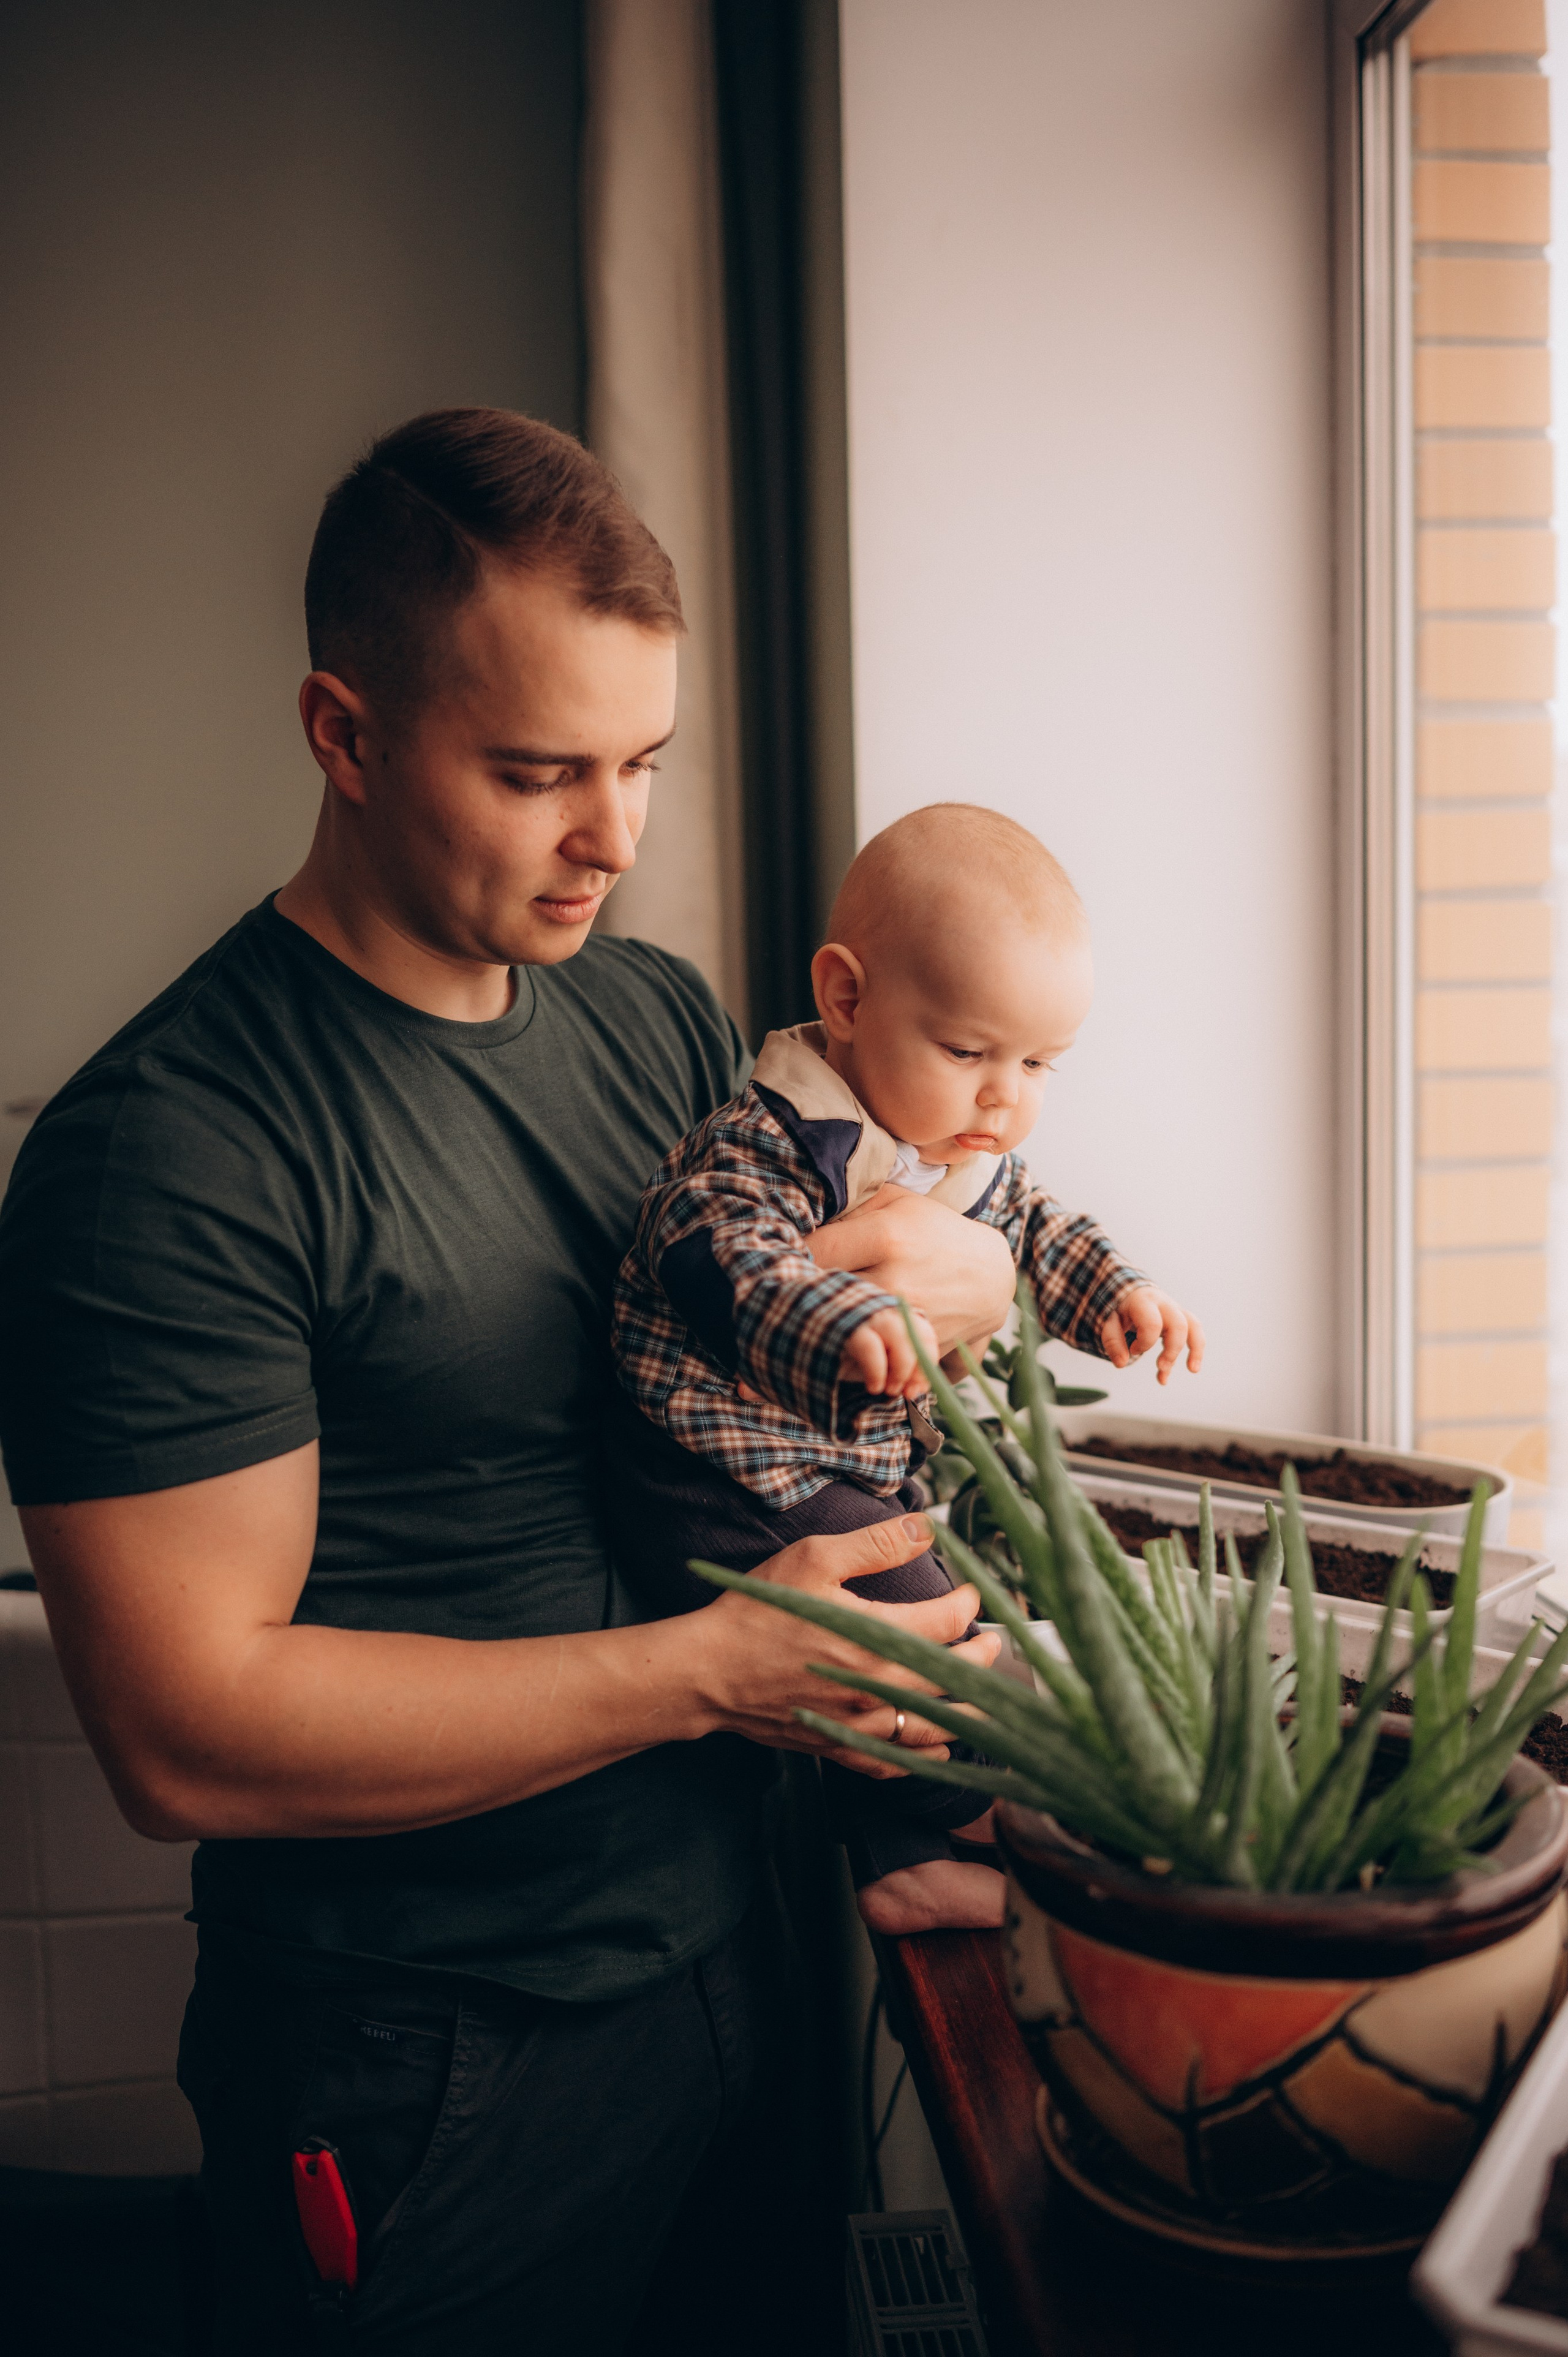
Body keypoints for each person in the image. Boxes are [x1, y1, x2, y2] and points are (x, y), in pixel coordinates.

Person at [0, 409, 1016, 2356]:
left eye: (640, 763)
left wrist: (909, 1290)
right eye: (538, 771)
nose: (612, 837)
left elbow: (739, 1380)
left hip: (742, 1955)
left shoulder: (648, 1016)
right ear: (345, 733)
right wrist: (722, 1668)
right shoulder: (173, 1151)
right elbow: (184, 1737)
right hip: (431, 2060)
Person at [610, 804, 1205, 1936]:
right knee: (916, 1628)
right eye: (971, 1051)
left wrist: (1120, 1296)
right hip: (710, 1469)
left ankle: (901, 1865)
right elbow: (715, 1252)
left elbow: (1040, 1231)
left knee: (914, 1612)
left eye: (1039, 1064)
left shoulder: (959, 1149)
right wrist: (835, 1315)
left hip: (824, 1467)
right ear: (846, 999)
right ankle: (985, 1808)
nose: (1004, 1097)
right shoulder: (769, 1138)